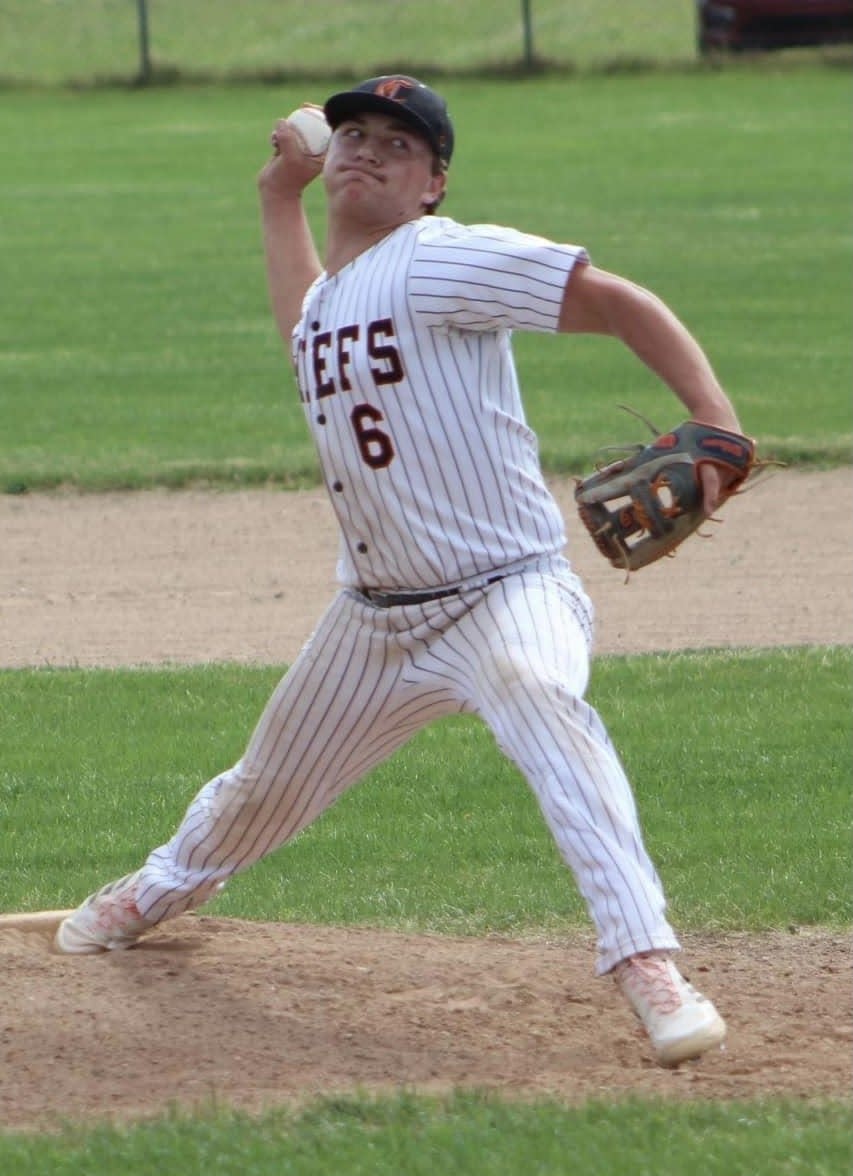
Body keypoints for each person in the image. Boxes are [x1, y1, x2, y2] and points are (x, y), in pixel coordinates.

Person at [56, 75, 741, 1067]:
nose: (367, 149)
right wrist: (274, 196)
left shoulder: (444, 255)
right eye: (353, 135)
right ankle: (156, 890)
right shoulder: (335, 301)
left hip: (507, 587)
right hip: (373, 619)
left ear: (434, 185)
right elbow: (305, 329)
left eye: (397, 143)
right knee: (262, 789)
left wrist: (715, 422)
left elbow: (614, 301)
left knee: (539, 692)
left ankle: (645, 960)